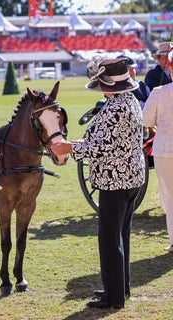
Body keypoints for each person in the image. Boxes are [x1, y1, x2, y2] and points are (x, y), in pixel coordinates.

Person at [51, 56, 145, 309]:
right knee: (120, 235)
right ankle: (119, 288)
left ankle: (113, 298)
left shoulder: (117, 107)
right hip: (130, 177)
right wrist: (74, 145)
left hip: (116, 180)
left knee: (109, 239)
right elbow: (107, 141)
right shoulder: (130, 101)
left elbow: (103, 148)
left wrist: (69, 147)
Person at [142, 51, 173, 252]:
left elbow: (146, 121)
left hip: (165, 149)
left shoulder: (160, 92)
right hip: (164, 149)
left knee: (170, 197)